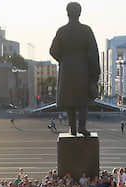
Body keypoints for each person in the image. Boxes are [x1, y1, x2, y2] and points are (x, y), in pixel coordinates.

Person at [49, 2, 100, 136]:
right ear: (79, 13)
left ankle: (72, 128)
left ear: (67, 13)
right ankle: (82, 127)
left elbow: (53, 51)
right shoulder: (86, 30)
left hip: (67, 70)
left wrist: (63, 60)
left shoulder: (62, 31)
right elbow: (93, 53)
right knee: (82, 100)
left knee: (70, 100)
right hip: (83, 69)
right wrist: (95, 73)